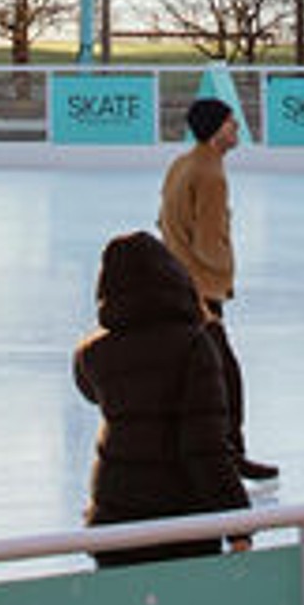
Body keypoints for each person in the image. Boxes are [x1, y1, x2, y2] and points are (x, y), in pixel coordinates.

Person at [71, 230, 249, 566]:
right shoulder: (195, 347)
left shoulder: (94, 354)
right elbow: (206, 448)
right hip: (179, 524)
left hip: (114, 521)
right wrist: (240, 526)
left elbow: (89, 389)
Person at [158, 94, 277, 482]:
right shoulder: (210, 175)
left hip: (177, 282)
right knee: (225, 376)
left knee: (198, 375)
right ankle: (229, 456)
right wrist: (222, 274)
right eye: (231, 123)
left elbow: (163, 222)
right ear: (214, 131)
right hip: (199, 291)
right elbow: (208, 244)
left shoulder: (182, 165)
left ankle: (204, 453)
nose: (236, 129)